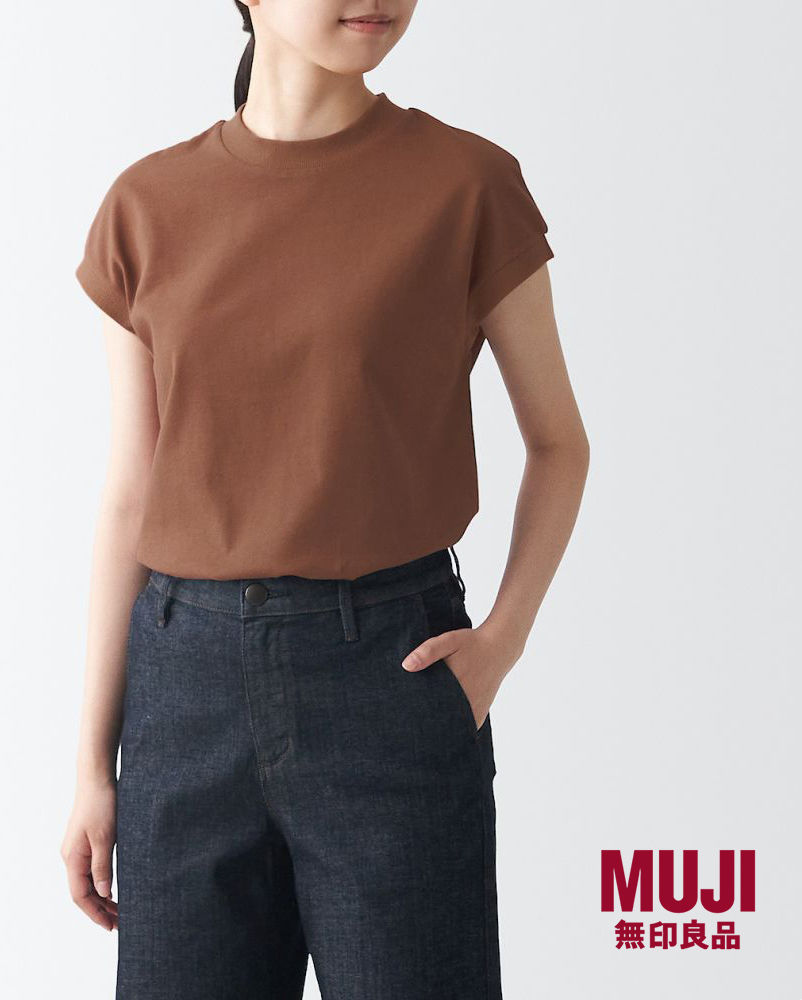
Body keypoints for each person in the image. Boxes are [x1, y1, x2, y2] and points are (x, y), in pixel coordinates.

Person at [61, 2, 589, 997]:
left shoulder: (466, 185)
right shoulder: (146, 204)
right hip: (181, 698)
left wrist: (500, 644)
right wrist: (94, 762)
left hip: (390, 677)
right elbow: (131, 493)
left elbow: (559, 443)